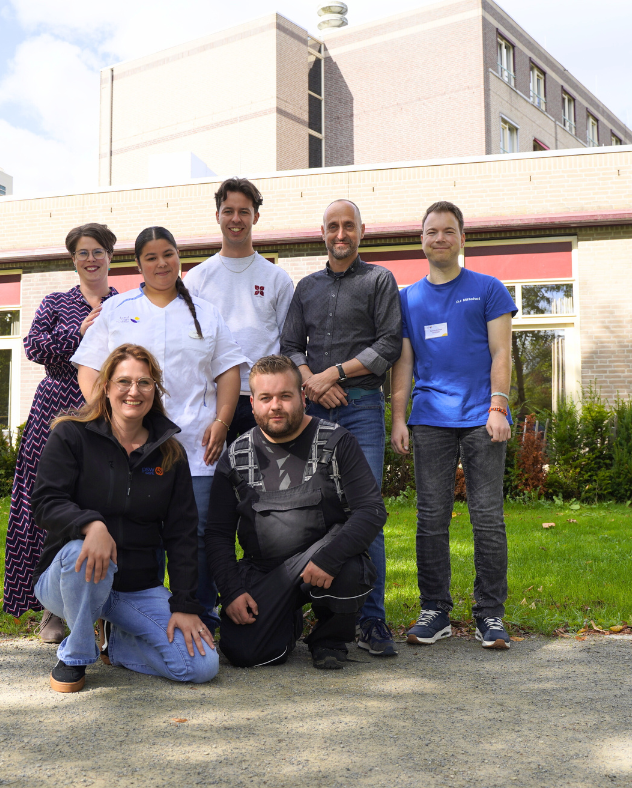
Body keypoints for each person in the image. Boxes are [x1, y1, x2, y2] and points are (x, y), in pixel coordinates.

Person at [72, 226, 247, 634]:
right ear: (138, 264)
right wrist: (108, 419)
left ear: (178, 257)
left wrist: (222, 421)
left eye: (167, 254)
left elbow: (228, 371)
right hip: (134, 448)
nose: (161, 263)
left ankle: (200, 616)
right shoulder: (118, 310)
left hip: (197, 445)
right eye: (150, 257)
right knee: (139, 534)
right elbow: (89, 368)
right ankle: (129, 623)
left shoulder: (205, 312)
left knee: (197, 536)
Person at [31, 344, 219, 692]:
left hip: (136, 587)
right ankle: (76, 654)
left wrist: (184, 604)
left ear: (155, 390)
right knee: (80, 550)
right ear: (105, 387)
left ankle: (114, 644)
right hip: (70, 579)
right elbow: (45, 502)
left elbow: (182, 534)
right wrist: (91, 525)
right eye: (124, 381)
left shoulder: (170, 453)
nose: (134, 391)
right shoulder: (71, 435)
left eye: (144, 382)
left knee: (200, 666)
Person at [390, 200, 517, 650]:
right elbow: (404, 363)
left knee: (487, 517)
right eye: (432, 231)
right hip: (429, 419)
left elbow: (501, 352)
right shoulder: (408, 298)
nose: (439, 238)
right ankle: (435, 610)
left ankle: (490, 615)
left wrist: (498, 406)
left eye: (448, 231)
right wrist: (398, 418)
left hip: (483, 417)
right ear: (421, 240)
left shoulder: (488, 289)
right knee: (430, 517)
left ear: (462, 238)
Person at [205, 355, 385, 670]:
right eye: (266, 398)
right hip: (264, 571)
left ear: (302, 397)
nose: (276, 406)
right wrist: (231, 591)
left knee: (350, 571)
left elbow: (371, 511)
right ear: (253, 404)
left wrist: (329, 558)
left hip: (327, 566)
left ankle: (329, 638)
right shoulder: (235, 456)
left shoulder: (337, 442)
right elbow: (218, 533)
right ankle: (288, 621)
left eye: (285, 396)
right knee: (243, 653)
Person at [280, 199, 402, 657]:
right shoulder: (306, 287)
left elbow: (388, 344)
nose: (341, 233)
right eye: (333, 226)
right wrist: (312, 380)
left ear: (362, 231)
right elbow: (290, 345)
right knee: (304, 511)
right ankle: (311, 614)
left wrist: (332, 375)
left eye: (349, 226)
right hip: (313, 412)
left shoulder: (379, 280)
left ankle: (371, 619)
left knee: (366, 511)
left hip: (361, 408)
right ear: (323, 233)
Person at [3, 222, 119, 643]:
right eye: (83, 252)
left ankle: (101, 609)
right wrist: (78, 331)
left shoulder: (124, 304)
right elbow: (33, 346)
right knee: (46, 502)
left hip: (105, 410)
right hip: (55, 409)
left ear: (110, 256)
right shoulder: (56, 303)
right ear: (73, 259)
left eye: (98, 251)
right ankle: (50, 608)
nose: (91, 259)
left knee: (99, 501)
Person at [183, 177, 294, 444]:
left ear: (256, 217)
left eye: (244, 211)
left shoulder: (277, 278)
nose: (236, 219)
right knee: (214, 471)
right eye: (228, 211)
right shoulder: (196, 279)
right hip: (211, 398)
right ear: (217, 216)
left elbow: (289, 343)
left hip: (263, 400)